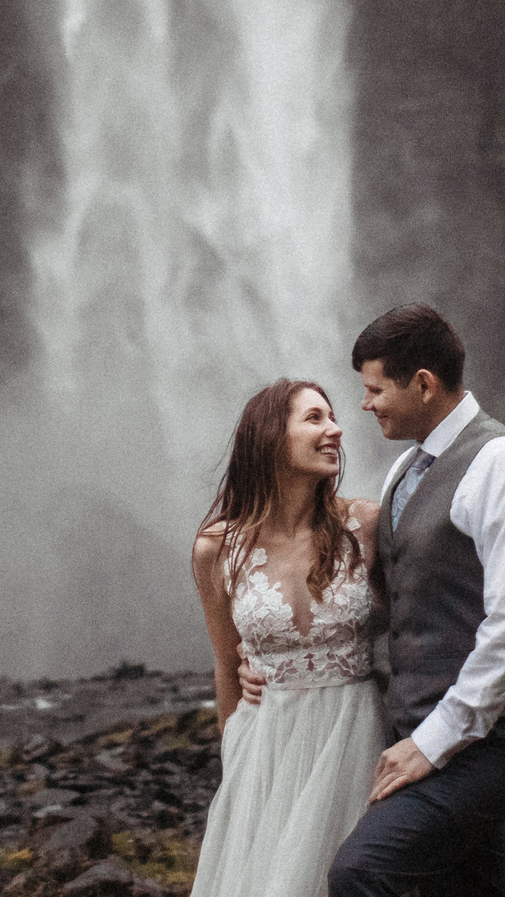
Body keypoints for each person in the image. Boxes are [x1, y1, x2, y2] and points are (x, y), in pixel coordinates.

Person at [325, 303, 505, 897]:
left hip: (498, 740)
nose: (365, 404)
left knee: (360, 874)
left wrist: (431, 745)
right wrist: (273, 652)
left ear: (424, 384)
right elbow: (398, 599)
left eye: (375, 388)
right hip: (425, 731)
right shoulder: (404, 470)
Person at [188, 378, 389, 897]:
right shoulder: (216, 548)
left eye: (333, 417)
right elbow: (223, 661)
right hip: (265, 745)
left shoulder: (367, 525)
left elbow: (413, 627)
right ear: (271, 437)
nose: (336, 430)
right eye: (315, 418)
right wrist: (236, 769)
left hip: (354, 733)